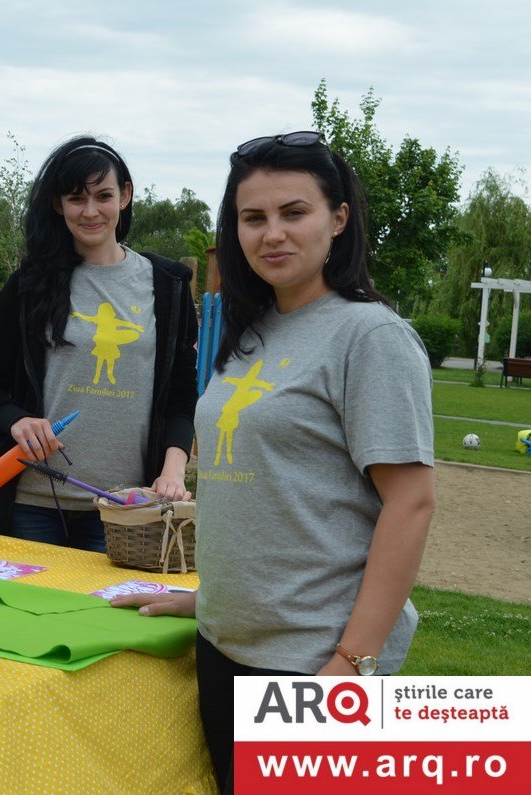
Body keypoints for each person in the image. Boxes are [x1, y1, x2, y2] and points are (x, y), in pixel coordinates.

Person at [112, 132, 436, 794]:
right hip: (227, 645)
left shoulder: (370, 336)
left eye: (295, 212)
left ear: (338, 219)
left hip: (312, 664)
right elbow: (268, 488)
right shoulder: (250, 333)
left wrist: (351, 665)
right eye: (253, 217)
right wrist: (210, 598)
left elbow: (412, 503)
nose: (272, 233)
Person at [0, 136, 198, 551]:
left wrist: (174, 469)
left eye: (103, 196)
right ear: (58, 204)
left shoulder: (168, 288)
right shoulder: (28, 284)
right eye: (76, 198)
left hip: (125, 508)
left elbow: (182, 397)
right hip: (32, 505)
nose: (90, 211)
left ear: (125, 196)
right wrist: (18, 421)